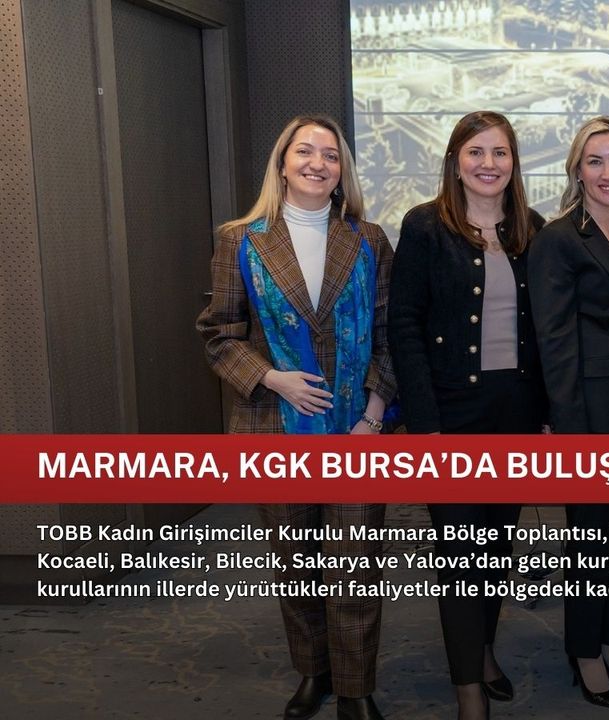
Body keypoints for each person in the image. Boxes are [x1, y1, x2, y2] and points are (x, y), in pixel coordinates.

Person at [196, 114, 395, 720]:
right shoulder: (241, 240)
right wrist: (271, 377)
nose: (317, 163)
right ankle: (315, 673)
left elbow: (390, 337)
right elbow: (219, 333)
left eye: (331, 155)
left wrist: (374, 417)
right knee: (297, 566)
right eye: (305, 151)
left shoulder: (369, 240)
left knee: (355, 568)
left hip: (357, 430)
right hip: (274, 428)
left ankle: (356, 689)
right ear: (282, 163)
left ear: (342, 171)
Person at [387, 110, 546, 720]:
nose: (488, 163)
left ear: (513, 162)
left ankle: (481, 652)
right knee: (460, 556)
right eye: (476, 151)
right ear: (455, 161)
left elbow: (544, 333)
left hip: (516, 415)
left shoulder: (531, 228)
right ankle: (467, 690)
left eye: (500, 152)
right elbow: (404, 325)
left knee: (496, 549)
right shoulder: (425, 226)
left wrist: (546, 415)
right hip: (449, 416)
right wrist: (425, 423)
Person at [528, 116, 609, 711]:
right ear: (577, 170)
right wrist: (570, 427)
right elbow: (553, 340)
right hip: (587, 415)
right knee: (590, 541)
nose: (608, 173)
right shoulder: (558, 239)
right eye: (595, 161)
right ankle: (584, 652)